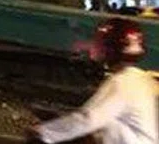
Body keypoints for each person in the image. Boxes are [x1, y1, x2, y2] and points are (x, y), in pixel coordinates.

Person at [27, 17, 157, 144]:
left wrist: (44, 132)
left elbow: (89, 119)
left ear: (110, 49)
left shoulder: (121, 83)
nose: (96, 47)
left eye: (100, 43)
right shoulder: (140, 79)